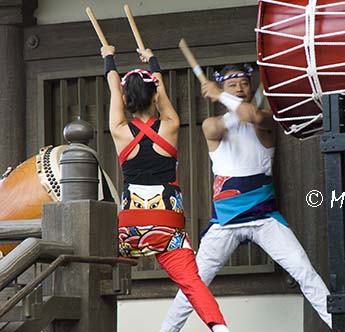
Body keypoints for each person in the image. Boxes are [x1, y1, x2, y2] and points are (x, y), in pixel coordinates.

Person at [159, 63, 332, 332]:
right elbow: (218, 128)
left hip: (264, 217)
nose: (240, 89)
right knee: (193, 285)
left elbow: (253, 115)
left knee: (304, 272)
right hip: (225, 221)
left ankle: (341, 325)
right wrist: (226, 103)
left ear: (251, 87)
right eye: (232, 85)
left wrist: (221, 95)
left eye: (243, 84)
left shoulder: (265, 121)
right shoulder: (211, 124)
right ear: (223, 88)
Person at [100, 45, 230, 332]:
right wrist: (152, 62)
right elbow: (160, 91)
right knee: (192, 283)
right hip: (167, 226)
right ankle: (219, 327)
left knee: (97, 269)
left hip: (130, 229)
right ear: (155, 95)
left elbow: (113, 89)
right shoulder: (171, 126)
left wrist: (109, 56)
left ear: (126, 99)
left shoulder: (119, 129)